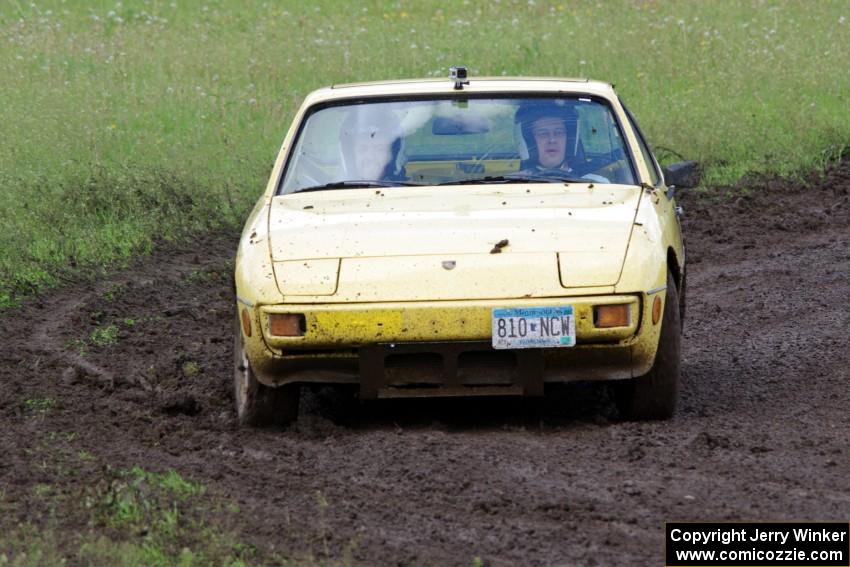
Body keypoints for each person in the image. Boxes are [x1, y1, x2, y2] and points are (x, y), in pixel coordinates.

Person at [514, 101, 609, 182]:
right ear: (529, 141)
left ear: (568, 141)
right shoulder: (510, 186)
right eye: (543, 133)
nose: (552, 140)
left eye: (559, 132)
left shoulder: (598, 185)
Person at [339, 107, 406, 182]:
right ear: (351, 155)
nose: (370, 157)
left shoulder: (414, 190)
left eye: (379, 149)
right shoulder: (327, 190)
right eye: (362, 149)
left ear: (392, 155)